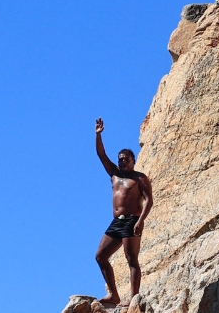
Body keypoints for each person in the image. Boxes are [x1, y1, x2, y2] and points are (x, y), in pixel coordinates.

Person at [94, 118, 154, 307]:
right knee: (100, 256)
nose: (122, 163)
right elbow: (101, 155)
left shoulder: (139, 178)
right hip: (116, 222)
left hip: (132, 220)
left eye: (126, 160)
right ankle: (113, 294)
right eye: (120, 160)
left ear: (133, 161)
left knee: (131, 259)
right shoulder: (114, 174)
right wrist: (98, 135)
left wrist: (140, 221)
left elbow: (149, 200)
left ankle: (134, 298)